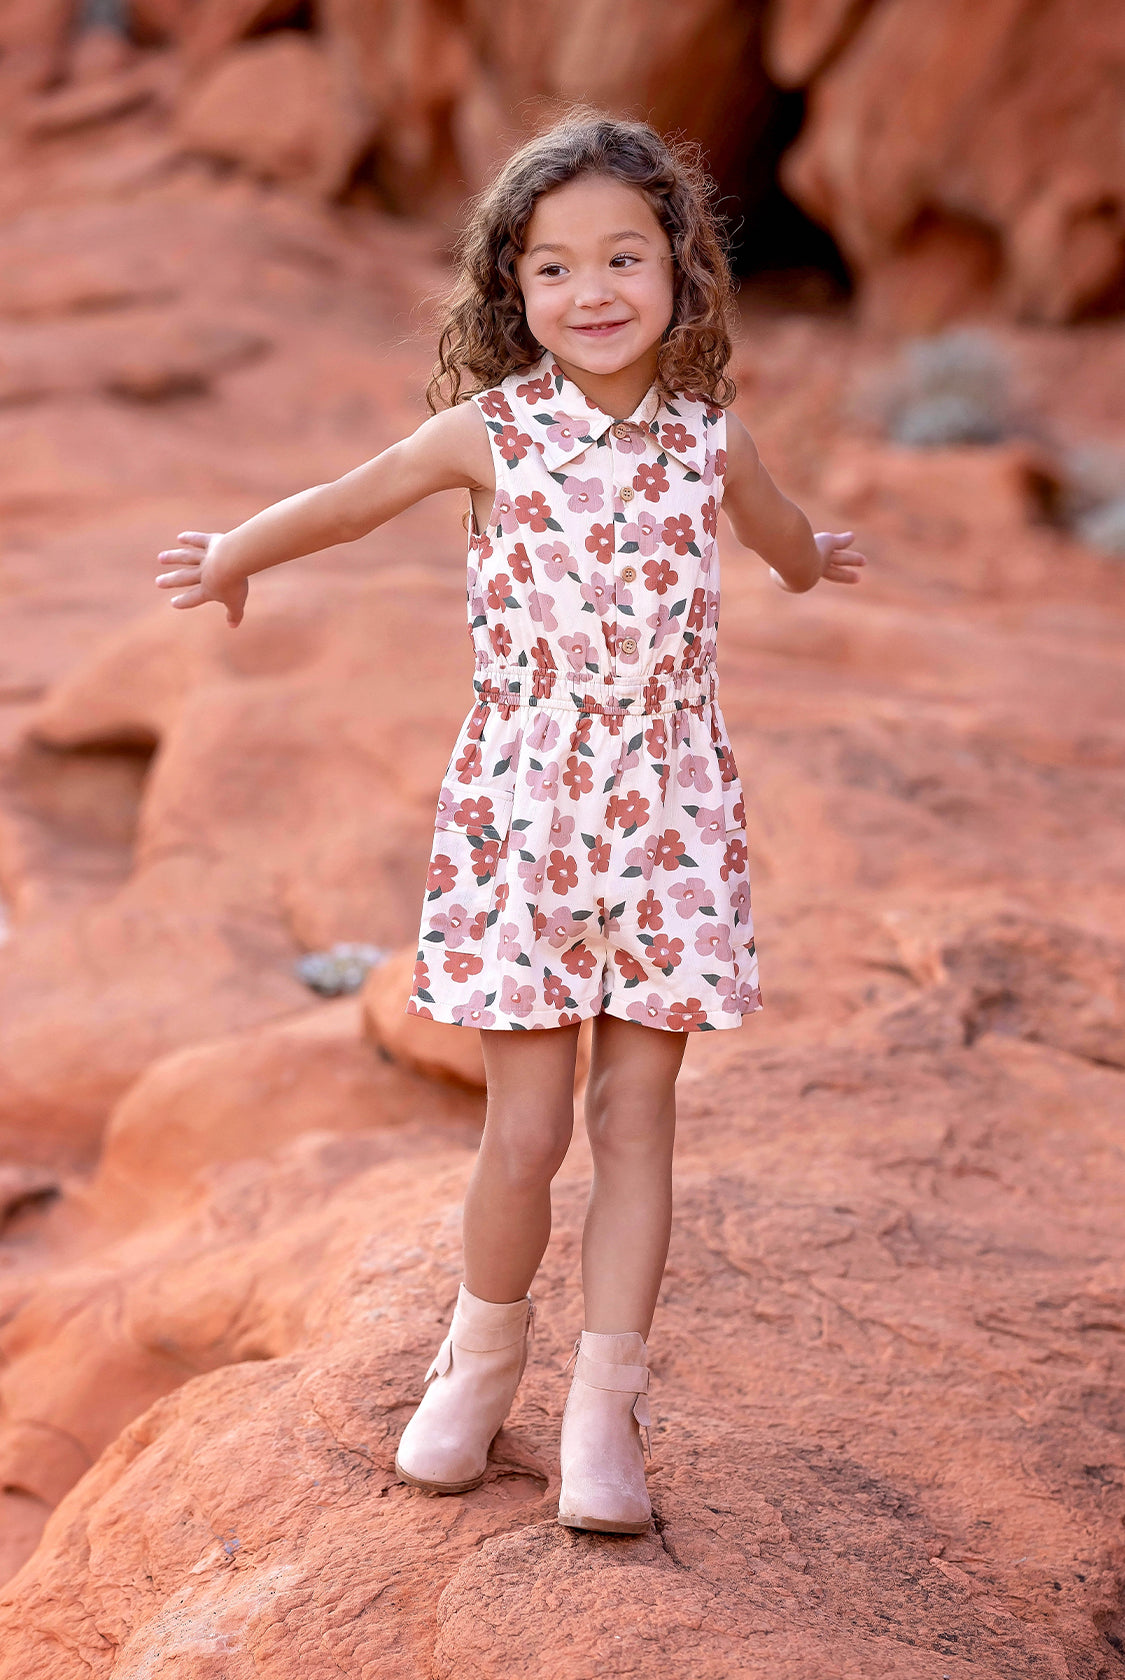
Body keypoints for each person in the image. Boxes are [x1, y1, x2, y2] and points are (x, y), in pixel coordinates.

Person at [155, 109, 866, 1536]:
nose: (589, 292)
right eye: (551, 269)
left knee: (639, 1111)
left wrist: (812, 559)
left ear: (679, 269)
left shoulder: (706, 442)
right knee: (527, 1122)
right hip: (524, 813)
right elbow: (348, 505)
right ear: (511, 290)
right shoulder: (488, 434)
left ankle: (607, 1404)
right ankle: (479, 1365)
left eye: (621, 257)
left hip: (668, 813)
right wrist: (234, 552)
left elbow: (781, 538)